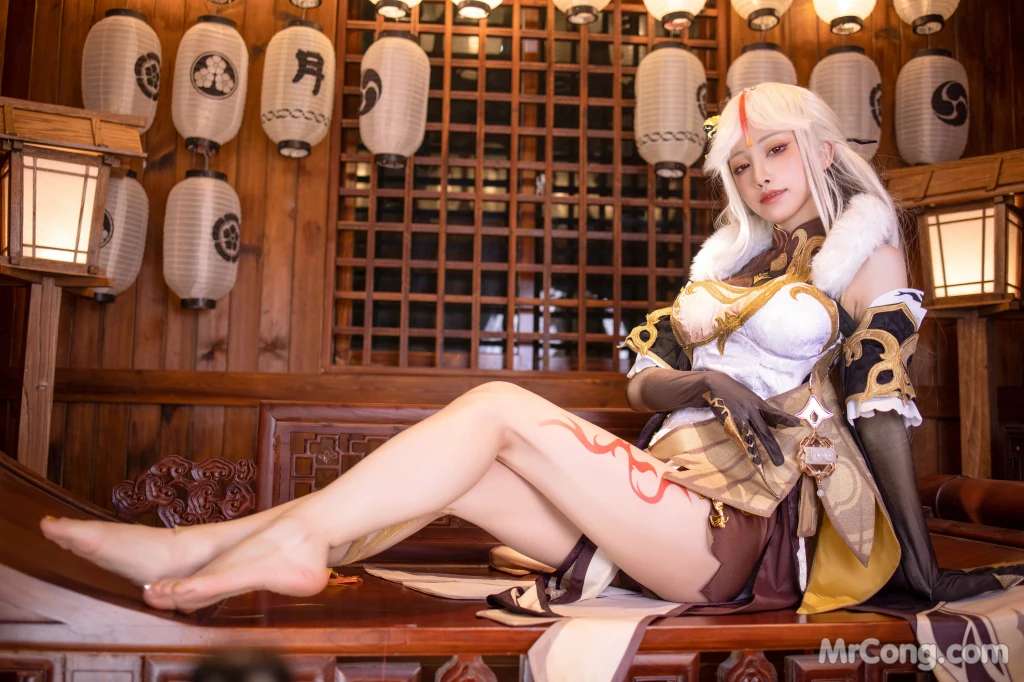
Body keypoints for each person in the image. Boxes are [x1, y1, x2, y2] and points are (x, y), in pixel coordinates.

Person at [38, 83, 1022, 620]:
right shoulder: (737, 261)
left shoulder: (862, 245)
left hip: (748, 530)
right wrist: (703, 378)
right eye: (740, 162)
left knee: (497, 407)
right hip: (671, 494)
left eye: (775, 150)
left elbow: (879, 395)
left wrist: (923, 574)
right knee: (463, 472)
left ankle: (258, 547)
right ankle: (200, 546)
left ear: (820, 149)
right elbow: (648, 368)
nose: (760, 174)